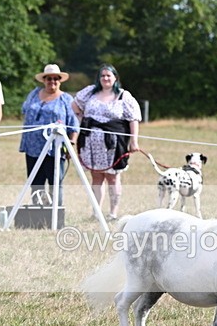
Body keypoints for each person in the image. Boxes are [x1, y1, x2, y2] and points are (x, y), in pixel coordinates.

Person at [73, 64, 141, 220]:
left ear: (115, 78)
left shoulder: (124, 96)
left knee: (112, 177)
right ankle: (96, 212)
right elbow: (75, 104)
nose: (105, 78)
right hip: (91, 142)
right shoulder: (91, 92)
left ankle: (112, 213)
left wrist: (134, 141)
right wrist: (81, 118)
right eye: (102, 75)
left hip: (113, 145)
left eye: (108, 75)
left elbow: (133, 119)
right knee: (96, 177)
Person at [19, 64, 79, 205]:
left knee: (55, 182)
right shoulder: (34, 94)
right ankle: (37, 212)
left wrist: (71, 143)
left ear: (60, 81)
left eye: (55, 79)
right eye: (49, 78)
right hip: (33, 147)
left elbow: (74, 123)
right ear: (44, 80)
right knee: (35, 181)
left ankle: (55, 212)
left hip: (55, 148)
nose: (52, 81)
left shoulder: (66, 99)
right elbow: (24, 110)